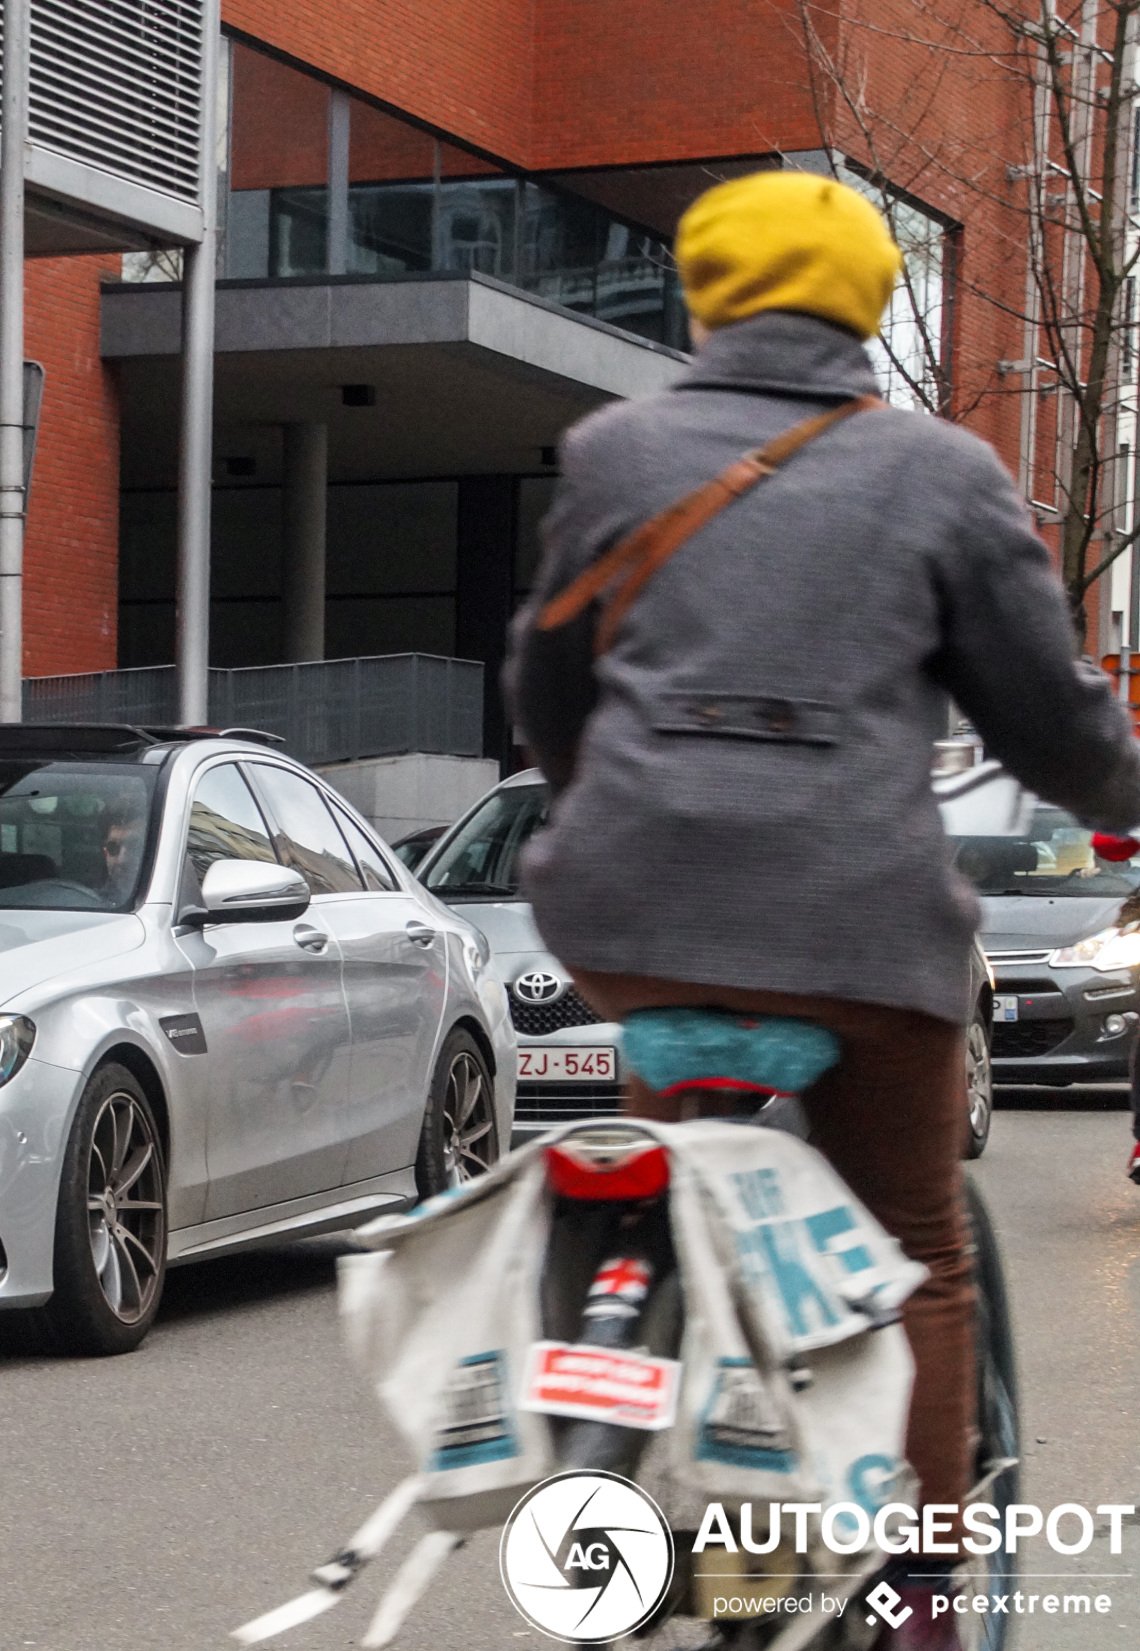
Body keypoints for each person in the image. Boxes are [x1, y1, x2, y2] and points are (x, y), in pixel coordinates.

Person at [505, 170, 1140, 1646]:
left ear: (706, 294)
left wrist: (625, 806)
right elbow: (1052, 725)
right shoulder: (940, 471)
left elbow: (546, 683)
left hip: (631, 903)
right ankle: (924, 1592)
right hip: (851, 919)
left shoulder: (612, 450)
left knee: (656, 1171)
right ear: (867, 301)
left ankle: (620, 1333)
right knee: (916, 1236)